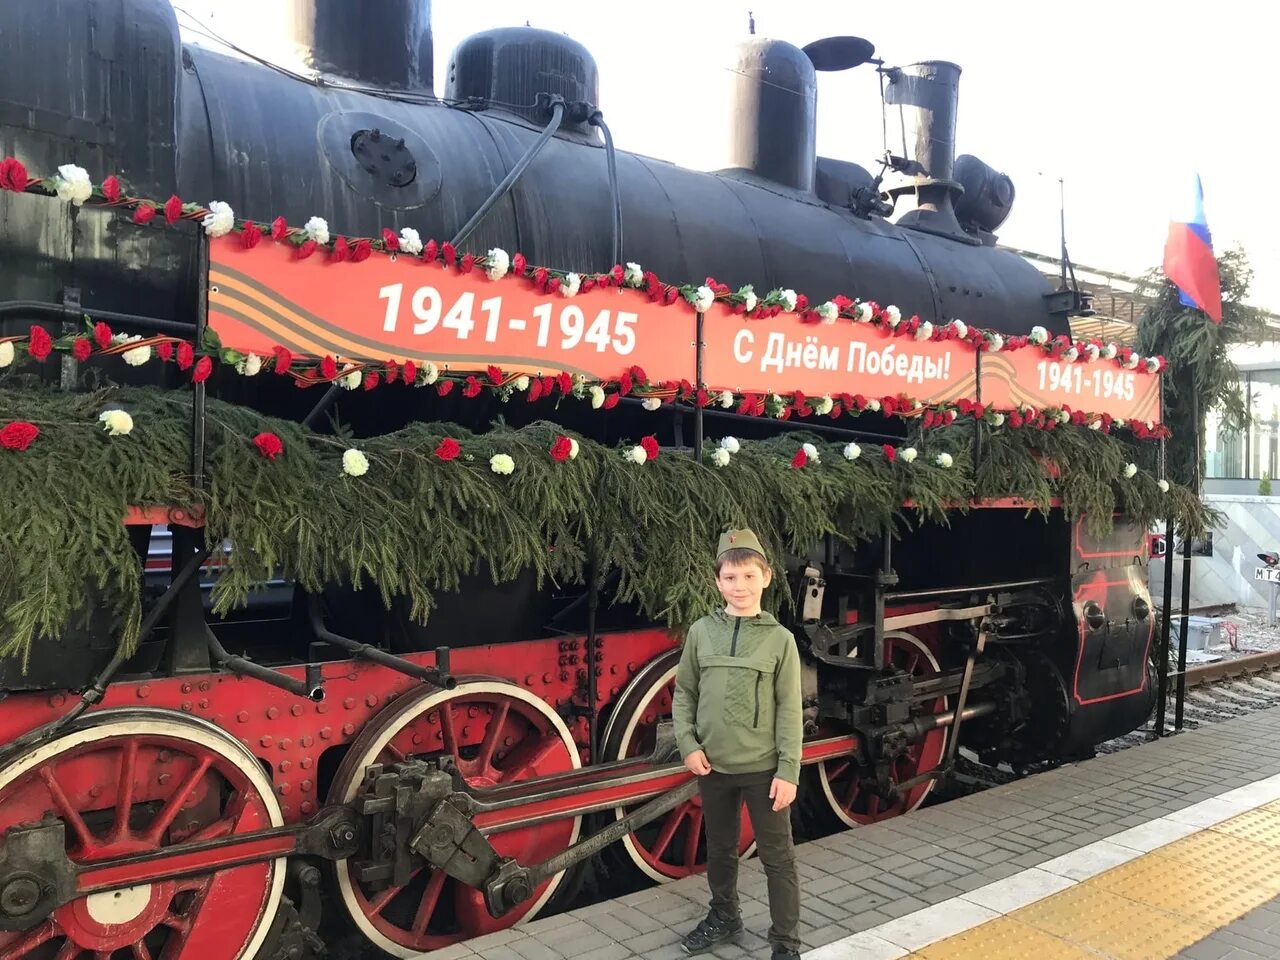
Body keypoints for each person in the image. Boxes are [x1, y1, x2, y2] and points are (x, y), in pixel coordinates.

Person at [672, 527, 803, 959]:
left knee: (777, 858)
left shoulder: (780, 640)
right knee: (721, 850)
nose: (739, 586)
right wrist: (688, 744)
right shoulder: (700, 632)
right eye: (730, 578)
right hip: (713, 766)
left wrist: (789, 771)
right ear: (717, 582)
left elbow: (789, 709)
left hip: (764, 770)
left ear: (766, 577)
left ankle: (785, 943)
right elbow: (685, 692)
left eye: (748, 576)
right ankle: (724, 917)